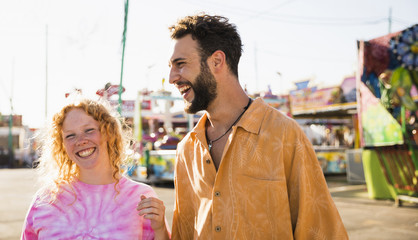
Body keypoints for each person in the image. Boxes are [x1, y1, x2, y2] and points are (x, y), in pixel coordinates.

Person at [168, 13, 348, 239]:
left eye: (180, 64)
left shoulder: (283, 134)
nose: (172, 77)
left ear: (216, 61)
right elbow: (183, 232)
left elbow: (321, 230)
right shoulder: (187, 149)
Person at [21, 96, 170, 240]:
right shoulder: (45, 199)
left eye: (89, 130)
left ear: (108, 133)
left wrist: (160, 229)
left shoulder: (141, 197)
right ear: (62, 145)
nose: (81, 141)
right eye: (70, 135)